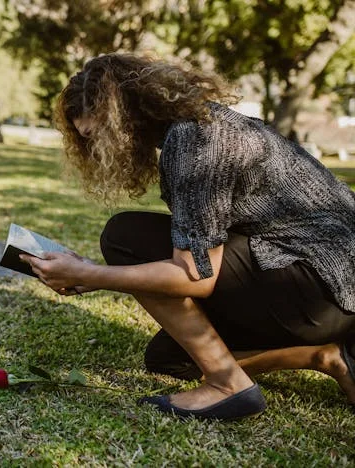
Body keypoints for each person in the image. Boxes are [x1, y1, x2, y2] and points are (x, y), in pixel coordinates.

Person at [20, 53, 355, 421]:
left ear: (122, 115)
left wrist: (88, 275)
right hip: (329, 297)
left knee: (125, 237)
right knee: (171, 359)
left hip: (325, 289)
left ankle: (227, 384)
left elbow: (197, 275)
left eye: (95, 133)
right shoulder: (201, 123)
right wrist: (88, 271)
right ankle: (328, 356)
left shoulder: (194, 141)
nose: (96, 148)